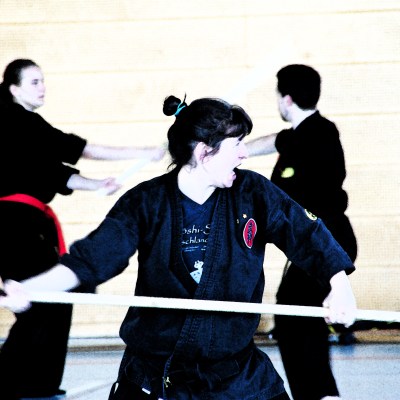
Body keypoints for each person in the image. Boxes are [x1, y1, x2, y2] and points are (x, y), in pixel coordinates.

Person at [0, 94, 357, 400]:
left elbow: (306, 235)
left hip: (236, 375)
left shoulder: (254, 193)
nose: (244, 155)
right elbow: (90, 259)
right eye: (236, 145)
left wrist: (338, 285)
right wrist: (29, 289)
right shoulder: (145, 202)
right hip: (155, 376)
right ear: (204, 152)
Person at [0, 58, 165, 400]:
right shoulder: (16, 120)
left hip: (26, 224)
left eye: (43, 80)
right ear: (13, 88)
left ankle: (39, 385)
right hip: (15, 226)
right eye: (34, 82)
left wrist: (96, 185)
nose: (42, 87)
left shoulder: (22, 129)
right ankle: (21, 383)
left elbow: (53, 173)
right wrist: (146, 152)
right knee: (42, 299)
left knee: (53, 300)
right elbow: (79, 150)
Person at [246, 64, 358, 399]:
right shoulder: (301, 134)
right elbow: (273, 141)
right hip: (314, 244)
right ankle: (321, 394)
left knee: (295, 318)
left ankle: (321, 395)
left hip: (328, 240)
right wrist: (232, 149)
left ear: (286, 99)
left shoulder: (320, 134)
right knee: (298, 320)